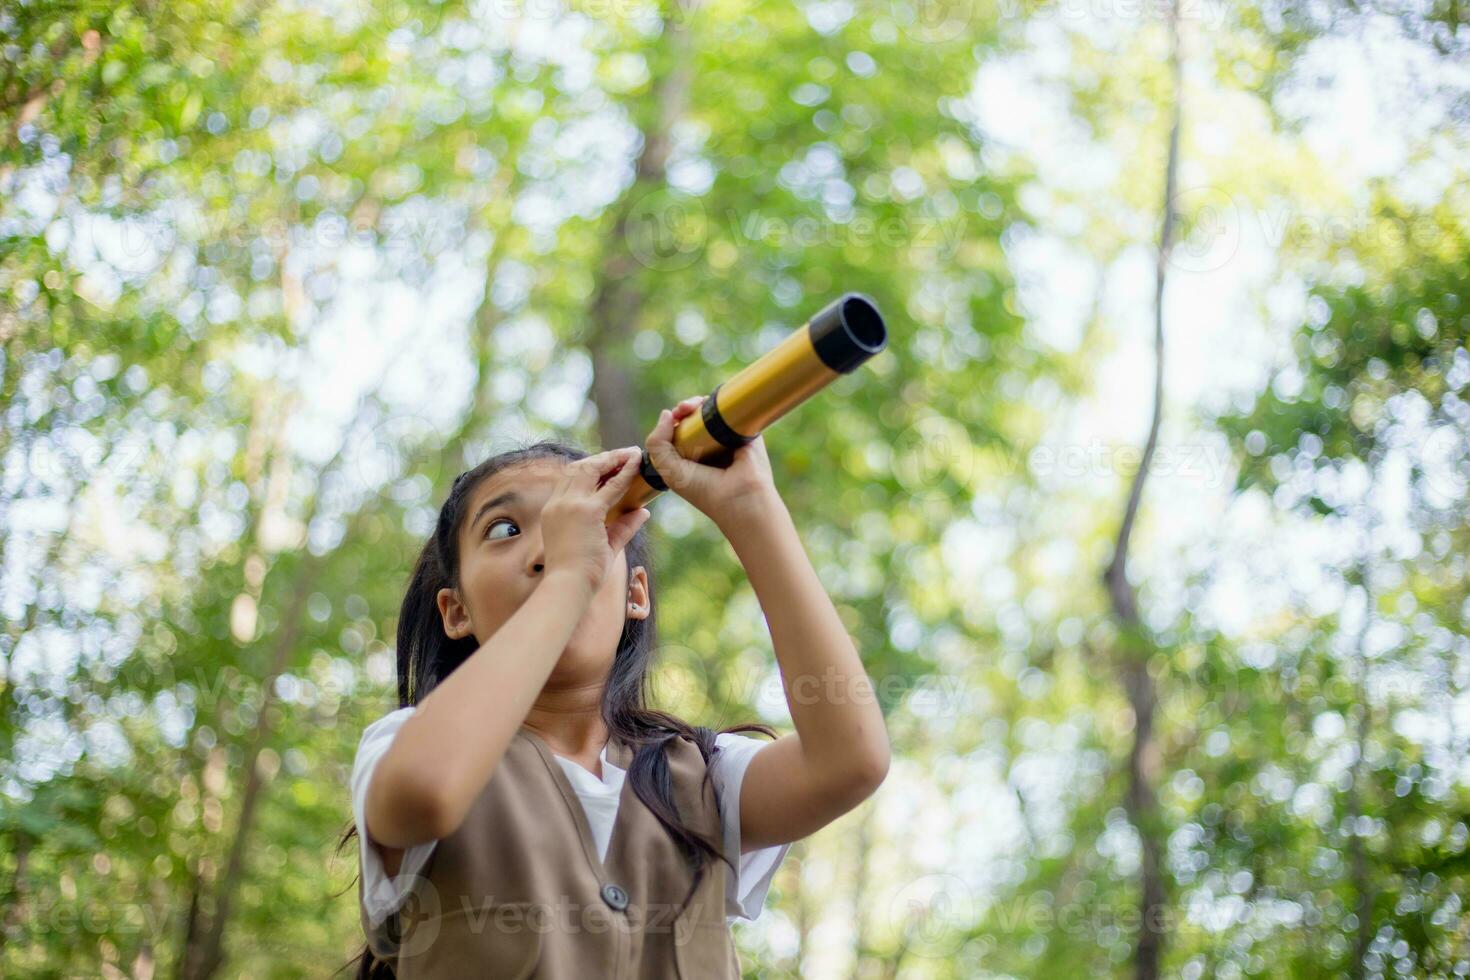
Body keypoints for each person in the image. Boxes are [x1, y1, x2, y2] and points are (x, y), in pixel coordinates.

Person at [339, 395, 891, 977]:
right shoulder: (408, 745)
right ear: (456, 613)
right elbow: (426, 792)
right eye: (506, 528)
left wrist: (752, 507)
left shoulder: (704, 779)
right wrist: (570, 572)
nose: (551, 547)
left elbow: (850, 761)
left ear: (635, 593)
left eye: (581, 526)